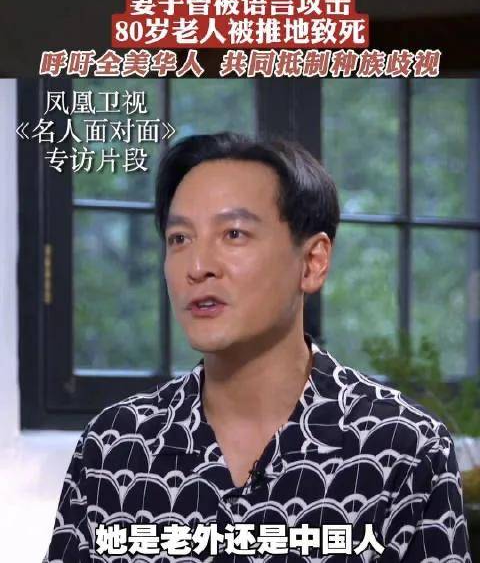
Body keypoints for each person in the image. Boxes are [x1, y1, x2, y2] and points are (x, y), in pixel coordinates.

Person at [44, 133, 471, 562]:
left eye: (233, 233)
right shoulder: (115, 446)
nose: (198, 266)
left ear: (313, 262)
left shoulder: (402, 447)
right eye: (179, 238)